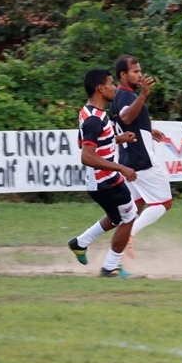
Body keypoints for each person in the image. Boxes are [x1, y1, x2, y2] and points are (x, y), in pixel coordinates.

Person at [67, 68, 138, 278]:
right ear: (100, 88)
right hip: (105, 180)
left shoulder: (89, 113)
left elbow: (92, 142)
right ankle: (110, 267)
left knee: (117, 218)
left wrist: (118, 139)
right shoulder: (94, 120)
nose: (114, 87)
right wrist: (121, 168)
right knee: (130, 216)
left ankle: (80, 243)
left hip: (101, 180)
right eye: (111, 84)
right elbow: (86, 156)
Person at [109, 55, 173, 257]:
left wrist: (148, 130)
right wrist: (144, 94)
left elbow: (124, 122)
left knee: (135, 206)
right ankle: (130, 236)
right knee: (164, 203)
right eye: (135, 72)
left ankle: (107, 253)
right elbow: (127, 116)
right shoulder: (128, 96)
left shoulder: (118, 96)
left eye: (140, 71)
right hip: (142, 160)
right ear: (123, 75)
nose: (140, 75)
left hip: (129, 160)